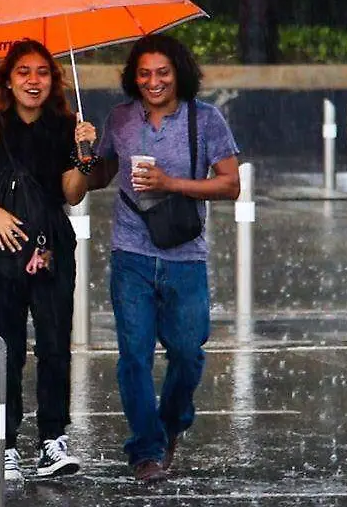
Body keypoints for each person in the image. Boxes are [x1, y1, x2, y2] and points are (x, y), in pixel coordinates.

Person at [86, 34, 240, 482]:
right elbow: (99, 176)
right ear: (133, 78)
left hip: (185, 255)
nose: (154, 81)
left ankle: (170, 425)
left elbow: (230, 184)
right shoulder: (120, 119)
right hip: (130, 253)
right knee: (134, 355)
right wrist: (84, 151)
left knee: (189, 355)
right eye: (145, 73)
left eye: (163, 72)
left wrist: (170, 183)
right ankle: (146, 450)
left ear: (178, 74)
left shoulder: (205, 120)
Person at [0, 39, 97, 481]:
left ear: (53, 79)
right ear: (9, 79)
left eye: (42, 72)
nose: (33, 81)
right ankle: (7, 444)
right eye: (23, 72)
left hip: (51, 245)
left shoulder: (66, 124)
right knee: (4, 349)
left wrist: (85, 155)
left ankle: (53, 440)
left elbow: (72, 194)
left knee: (55, 345)